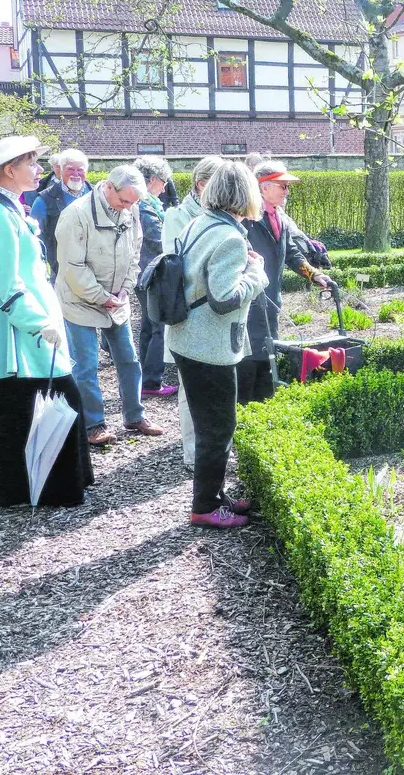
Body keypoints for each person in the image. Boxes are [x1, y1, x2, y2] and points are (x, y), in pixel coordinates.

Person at [0, 136, 94, 507]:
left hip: (27, 335)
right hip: (16, 340)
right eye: (32, 163)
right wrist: (39, 323)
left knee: (46, 404)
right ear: (9, 170)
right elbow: (9, 287)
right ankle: (34, 491)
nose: (39, 170)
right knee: (33, 407)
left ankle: (51, 488)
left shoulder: (6, 210)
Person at [166, 159, 271, 529]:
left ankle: (214, 496)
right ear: (246, 195)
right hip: (208, 346)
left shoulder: (201, 223)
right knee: (218, 429)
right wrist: (256, 274)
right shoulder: (229, 237)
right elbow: (224, 298)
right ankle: (205, 508)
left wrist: (244, 265)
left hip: (186, 337)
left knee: (211, 424)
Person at [54, 165, 164, 445]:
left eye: (133, 202)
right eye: (124, 201)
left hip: (117, 300)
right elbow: (72, 267)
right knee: (86, 366)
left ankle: (134, 415)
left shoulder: (132, 208)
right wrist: (102, 296)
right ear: (108, 188)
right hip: (80, 300)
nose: (128, 207)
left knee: (129, 359)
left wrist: (125, 290)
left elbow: (135, 253)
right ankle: (93, 424)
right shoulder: (76, 215)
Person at [242, 160, 333, 402]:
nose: (287, 191)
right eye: (283, 186)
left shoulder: (279, 218)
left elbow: (292, 254)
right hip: (248, 300)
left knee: (267, 351)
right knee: (247, 357)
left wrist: (314, 274)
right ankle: (245, 410)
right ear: (263, 188)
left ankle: (264, 405)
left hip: (271, 299)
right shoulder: (246, 218)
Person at [164, 160, 218, 468]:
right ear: (201, 185)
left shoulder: (222, 217)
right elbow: (177, 267)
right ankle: (194, 454)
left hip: (217, 317)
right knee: (191, 388)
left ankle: (212, 449)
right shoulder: (178, 216)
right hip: (192, 314)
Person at [133, 156, 178, 397]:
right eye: (164, 181)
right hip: (151, 274)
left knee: (149, 327)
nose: (165, 187)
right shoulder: (143, 205)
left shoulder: (148, 203)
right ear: (152, 180)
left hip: (146, 273)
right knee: (157, 327)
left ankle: (145, 379)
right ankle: (151, 381)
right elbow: (157, 237)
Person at [30, 148, 91, 280]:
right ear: (60, 170)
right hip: (60, 272)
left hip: (93, 271)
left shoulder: (97, 196)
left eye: (80, 169)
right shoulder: (44, 200)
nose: (76, 174)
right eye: (70, 169)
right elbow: (35, 240)